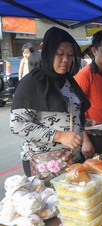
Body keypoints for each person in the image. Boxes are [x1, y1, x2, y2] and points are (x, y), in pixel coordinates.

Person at [10, 27, 91, 176]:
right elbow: (17, 124)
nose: (65, 60)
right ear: (48, 53)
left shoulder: (68, 82)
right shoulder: (32, 83)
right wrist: (59, 135)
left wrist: (84, 130)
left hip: (72, 160)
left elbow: (74, 114)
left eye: (70, 55)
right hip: (45, 163)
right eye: (60, 54)